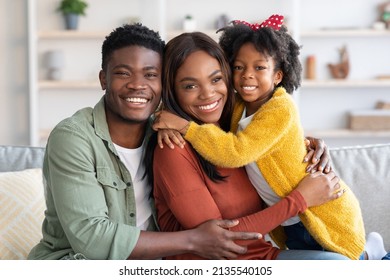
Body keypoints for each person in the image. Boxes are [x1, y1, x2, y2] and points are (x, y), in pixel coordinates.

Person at [27, 23, 269, 260]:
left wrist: (302, 145)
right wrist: (194, 239)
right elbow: (93, 239)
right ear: (103, 80)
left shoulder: (167, 132)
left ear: (163, 84)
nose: (137, 85)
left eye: (150, 74)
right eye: (123, 73)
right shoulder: (73, 138)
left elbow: (248, 140)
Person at [151, 15, 372, 260]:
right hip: (224, 262)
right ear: (172, 89)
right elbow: (218, 240)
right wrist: (300, 199)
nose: (208, 94)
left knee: (345, 261)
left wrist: (307, 142)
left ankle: (373, 254)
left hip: (279, 241)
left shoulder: (227, 124)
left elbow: (261, 139)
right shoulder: (174, 146)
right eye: (190, 86)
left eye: (216, 79)